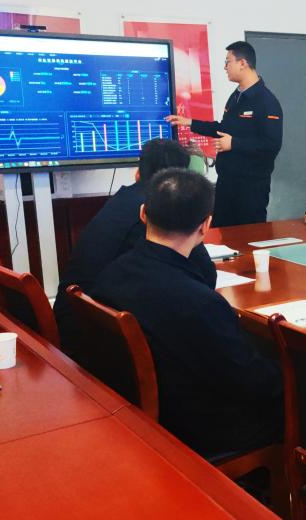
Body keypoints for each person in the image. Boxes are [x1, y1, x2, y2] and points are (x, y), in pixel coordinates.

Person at [90, 168, 283, 457]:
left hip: (133, 412)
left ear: (143, 214)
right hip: (193, 431)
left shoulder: (111, 274)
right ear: (205, 226)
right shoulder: (200, 303)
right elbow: (251, 381)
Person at [53, 139, 216, 354]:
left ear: (138, 172)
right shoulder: (162, 208)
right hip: (92, 340)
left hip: (79, 318)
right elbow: (206, 278)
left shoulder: (123, 198)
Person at [166, 41, 283, 227]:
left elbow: (271, 146)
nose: (225, 67)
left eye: (228, 62)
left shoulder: (267, 102)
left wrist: (234, 143)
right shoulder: (236, 96)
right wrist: (189, 123)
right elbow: (223, 129)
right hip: (226, 184)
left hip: (250, 189)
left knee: (248, 237)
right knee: (220, 235)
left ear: (243, 63)